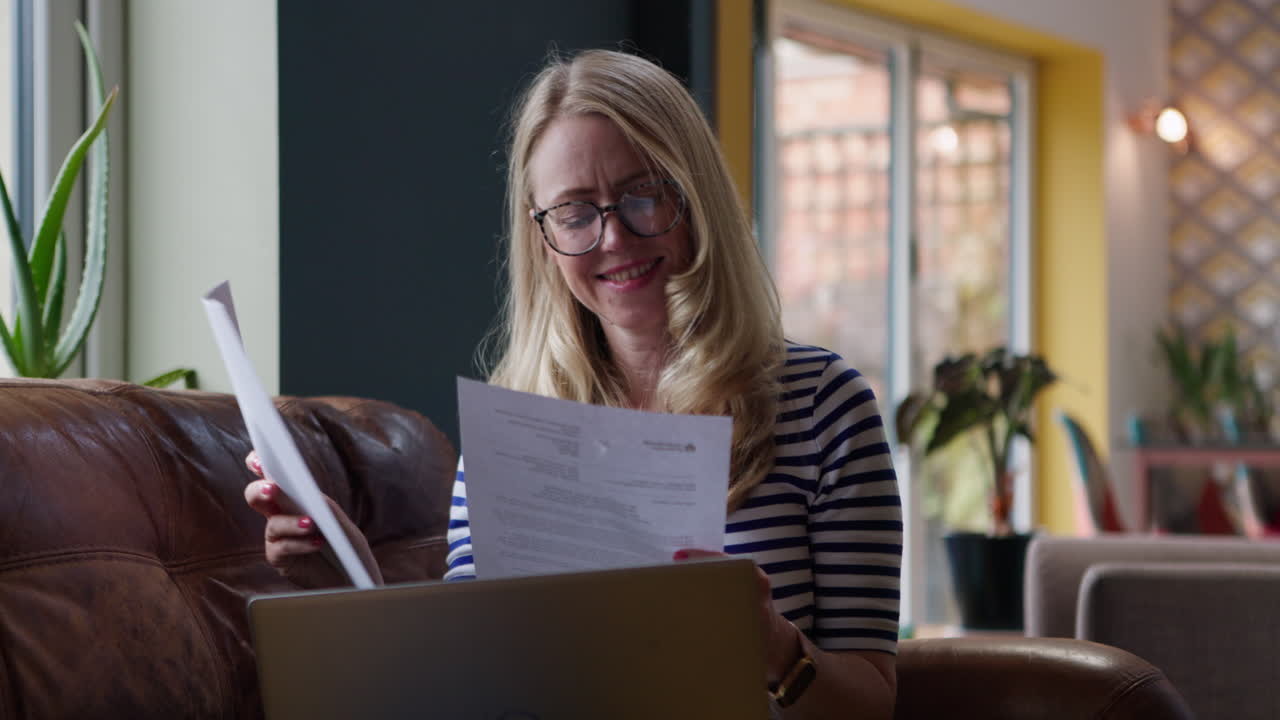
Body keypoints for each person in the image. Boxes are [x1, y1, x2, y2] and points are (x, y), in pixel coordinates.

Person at [244, 49, 902, 718]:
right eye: (574, 212)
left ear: (696, 194)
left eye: (644, 194)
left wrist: (776, 650)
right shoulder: (513, 429)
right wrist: (355, 583)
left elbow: (873, 704)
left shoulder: (823, 404)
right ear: (542, 237)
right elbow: (466, 686)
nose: (613, 238)